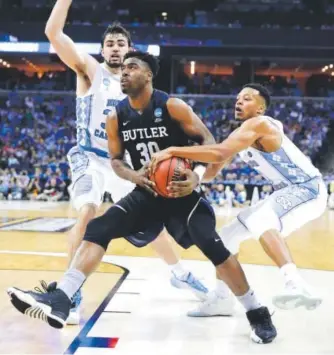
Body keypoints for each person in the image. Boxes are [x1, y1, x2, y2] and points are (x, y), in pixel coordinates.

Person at [7, 53, 277, 344]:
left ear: (148, 76)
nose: (124, 73)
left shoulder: (172, 106)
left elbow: (208, 142)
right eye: (122, 69)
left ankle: (257, 312)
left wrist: (196, 176)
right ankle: (62, 298)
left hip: (180, 192)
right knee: (98, 228)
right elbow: (116, 160)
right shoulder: (116, 116)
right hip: (145, 192)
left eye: (132, 68)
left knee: (212, 245)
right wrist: (133, 176)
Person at [42, 0, 208, 325]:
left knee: (150, 224)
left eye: (121, 44)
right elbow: (53, 32)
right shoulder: (89, 70)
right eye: (109, 44)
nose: (115, 48)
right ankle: (71, 295)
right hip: (89, 158)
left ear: (130, 49)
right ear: (102, 50)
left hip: (123, 163)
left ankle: (180, 272)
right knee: (88, 213)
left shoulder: (137, 85)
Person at [150, 83, 326, 314]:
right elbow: (212, 170)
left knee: (262, 220)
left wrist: (173, 150)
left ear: (261, 108)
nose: (239, 102)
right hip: (285, 191)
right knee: (225, 239)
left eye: (247, 99)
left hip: (307, 187)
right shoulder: (240, 135)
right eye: (238, 98)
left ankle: (296, 284)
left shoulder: (261, 124)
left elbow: (219, 152)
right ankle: (223, 298)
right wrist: (193, 177)